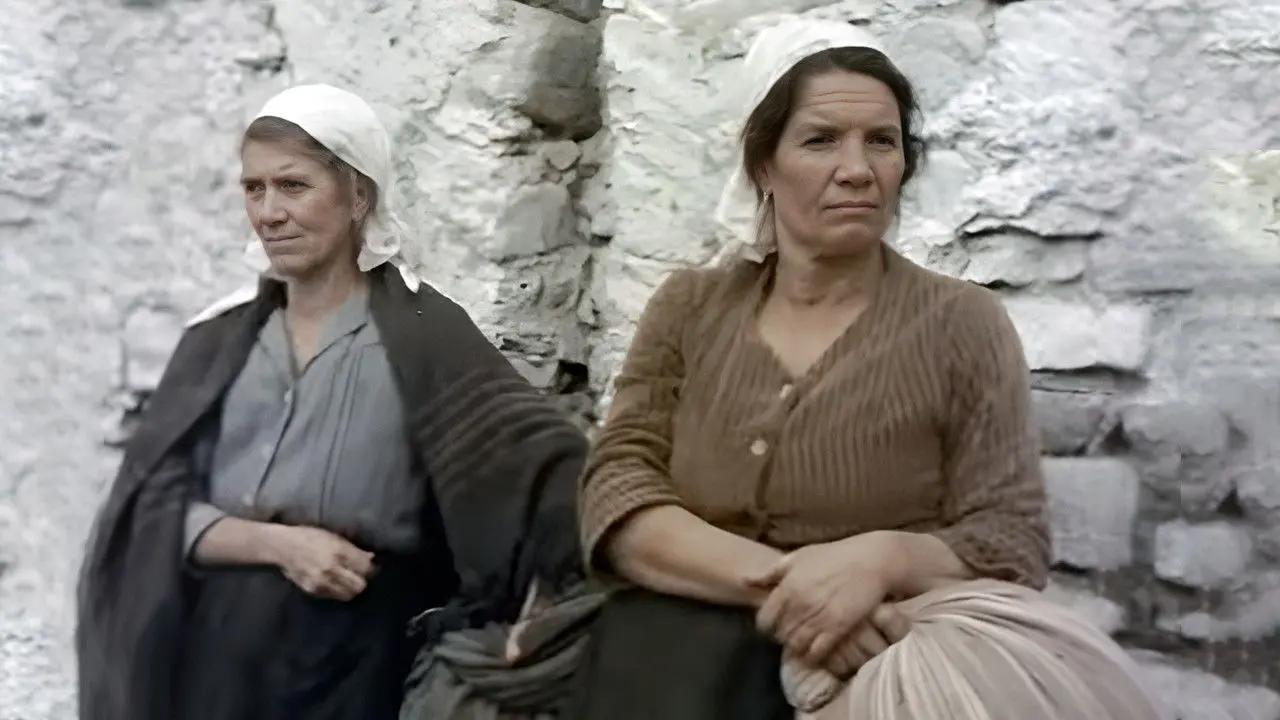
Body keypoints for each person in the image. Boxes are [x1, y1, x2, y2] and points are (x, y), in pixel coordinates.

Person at [570, 20, 1054, 719]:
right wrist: (803, 588)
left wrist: (883, 561)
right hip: (678, 649)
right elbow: (618, 492)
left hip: (885, 662)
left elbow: (1011, 539)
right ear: (763, 165)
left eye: (881, 141)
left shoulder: (962, 321)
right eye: (821, 139)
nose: (857, 169)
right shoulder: (690, 305)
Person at [75, 84, 587, 720]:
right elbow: (146, 512)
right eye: (253, 188)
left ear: (358, 196)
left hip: (358, 660)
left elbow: (543, 473)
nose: (269, 212)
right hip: (210, 660)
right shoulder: (217, 341)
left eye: (293, 186)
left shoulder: (425, 331)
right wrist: (278, 546)